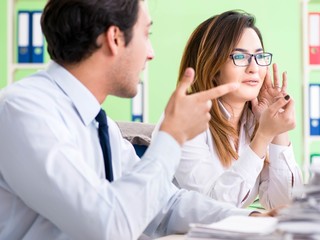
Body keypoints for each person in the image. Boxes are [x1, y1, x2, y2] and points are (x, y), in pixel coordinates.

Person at [0, 2, 281, 240]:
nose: (151, 52)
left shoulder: (99, 125)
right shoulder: (24, 112)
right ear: (114, 39)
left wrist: (253, 218)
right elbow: (108, 227)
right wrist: (171, 137)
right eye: (146, 34)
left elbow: (167, 204)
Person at [152, 10, 303, 210]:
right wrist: (264, 135)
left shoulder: (254, 119)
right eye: (240, 56)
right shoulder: (184, 118)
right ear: (212, 67)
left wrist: (278, 130)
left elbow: (286, 205)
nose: (254, 68)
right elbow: (212, 206)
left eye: (259, 56)